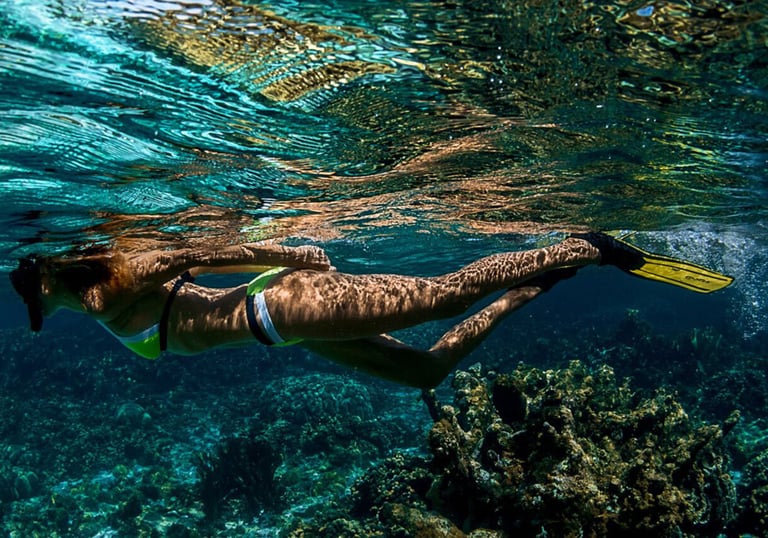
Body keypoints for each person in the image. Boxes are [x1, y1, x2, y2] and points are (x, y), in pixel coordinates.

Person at [9, 233, 732, 389]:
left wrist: (290, 255)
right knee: (423, 373)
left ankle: (585, 246)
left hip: (283, 305)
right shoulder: (91, 301)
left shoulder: (111, 284)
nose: (35, 305)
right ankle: (534, 286)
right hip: (283, 331)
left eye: (30, 292)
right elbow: (194, 267)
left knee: (445, 295)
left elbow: (198, 251)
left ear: (46, 277)